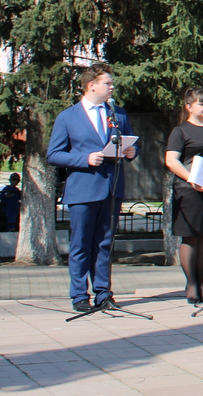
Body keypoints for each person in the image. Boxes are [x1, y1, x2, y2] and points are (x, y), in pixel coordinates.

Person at [46, 64, 137, 313]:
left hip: (111, 187)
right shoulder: (68, 117)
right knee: (81, 243)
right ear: (91, 85)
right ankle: (79, 295)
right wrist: (83, 159)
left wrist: (130, 152)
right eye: (107, 83)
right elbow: (54, 154)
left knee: (104, 244)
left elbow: (131, 144)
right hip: (83, 189)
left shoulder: (118, 114)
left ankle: (103, 293)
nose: (112, 87)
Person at [163, 87, 203, 305]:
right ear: (189, 107)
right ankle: (191, 284)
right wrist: (191, 179)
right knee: (190, 236)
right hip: (188, 190)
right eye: (201, 104)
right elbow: (171, 160)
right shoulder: (181, 131)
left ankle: (201, 282)